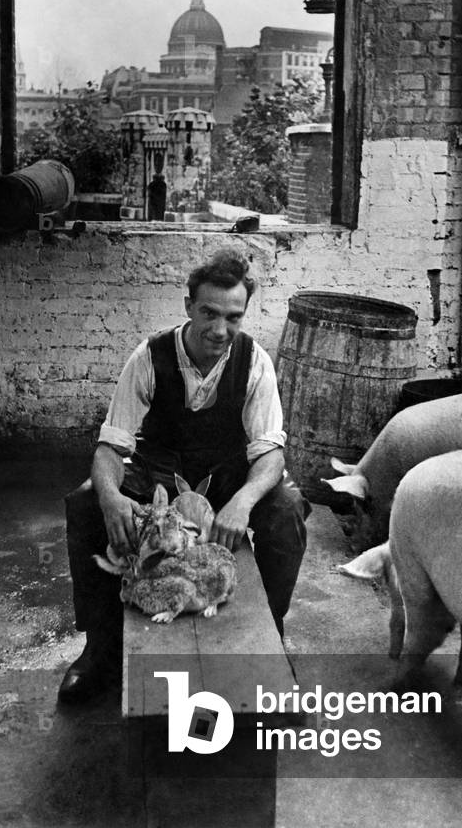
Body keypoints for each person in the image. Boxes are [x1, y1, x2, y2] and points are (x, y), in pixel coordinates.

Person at [58, 248, 310, 703]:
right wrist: (111, 497)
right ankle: (99, 648)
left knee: (288, 508)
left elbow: (271, 452)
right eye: (209, 313)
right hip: (160, 472)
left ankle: (271, 641)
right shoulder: (149, 357)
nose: (220, 329)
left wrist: (245, 500)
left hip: (227, 474)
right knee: (84, 501)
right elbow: (111, 445)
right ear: (189, 306)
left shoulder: (254, 362)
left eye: (233, 317)